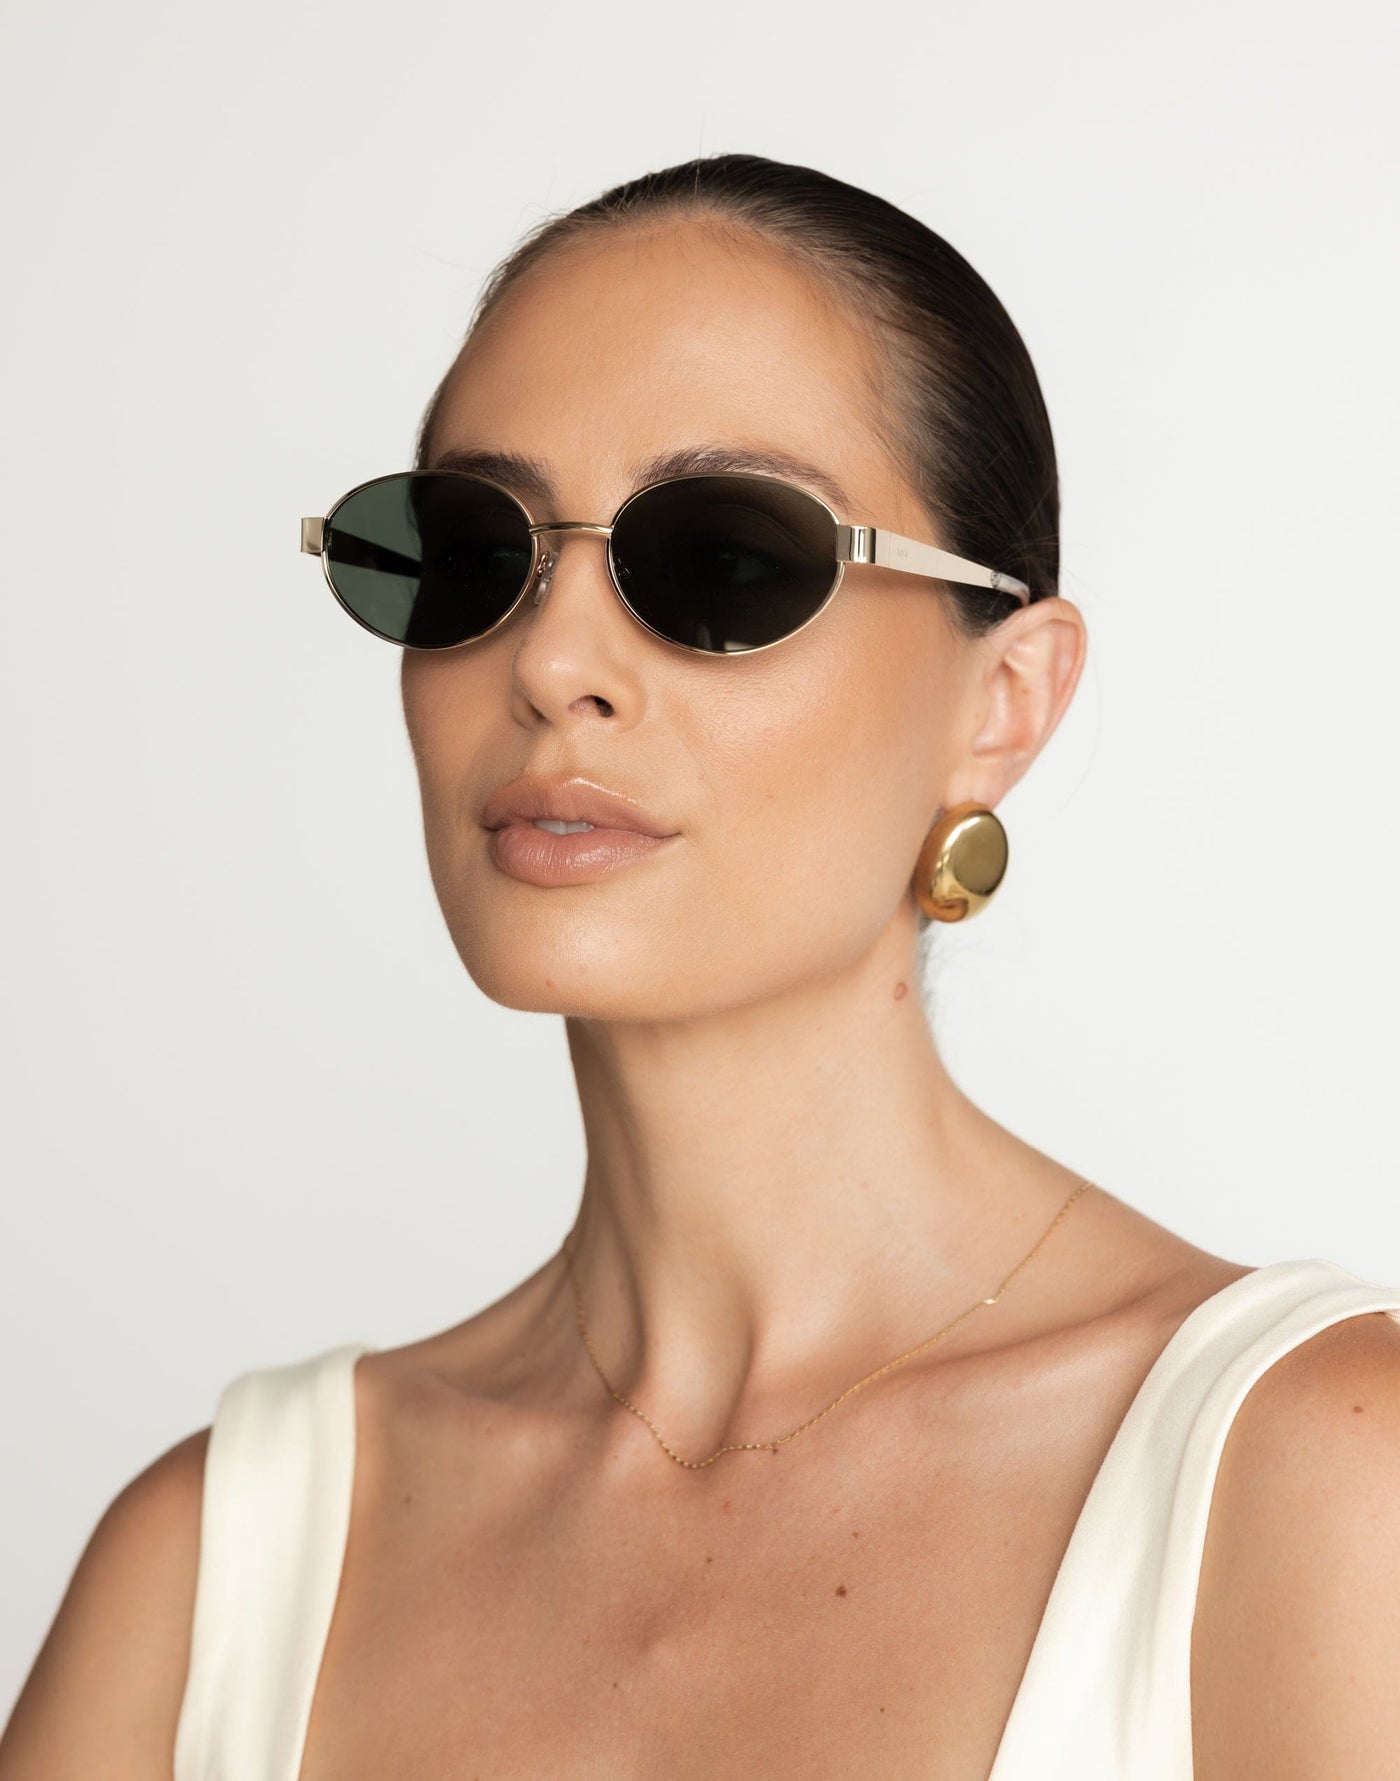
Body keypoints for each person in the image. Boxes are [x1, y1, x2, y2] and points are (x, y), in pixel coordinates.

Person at [4, 153, 1399, 1781]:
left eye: (724, 560)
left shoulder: (1319, 1480)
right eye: (472, 552)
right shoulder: (214, 1568)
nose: (552, 662)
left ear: (1003, 701)